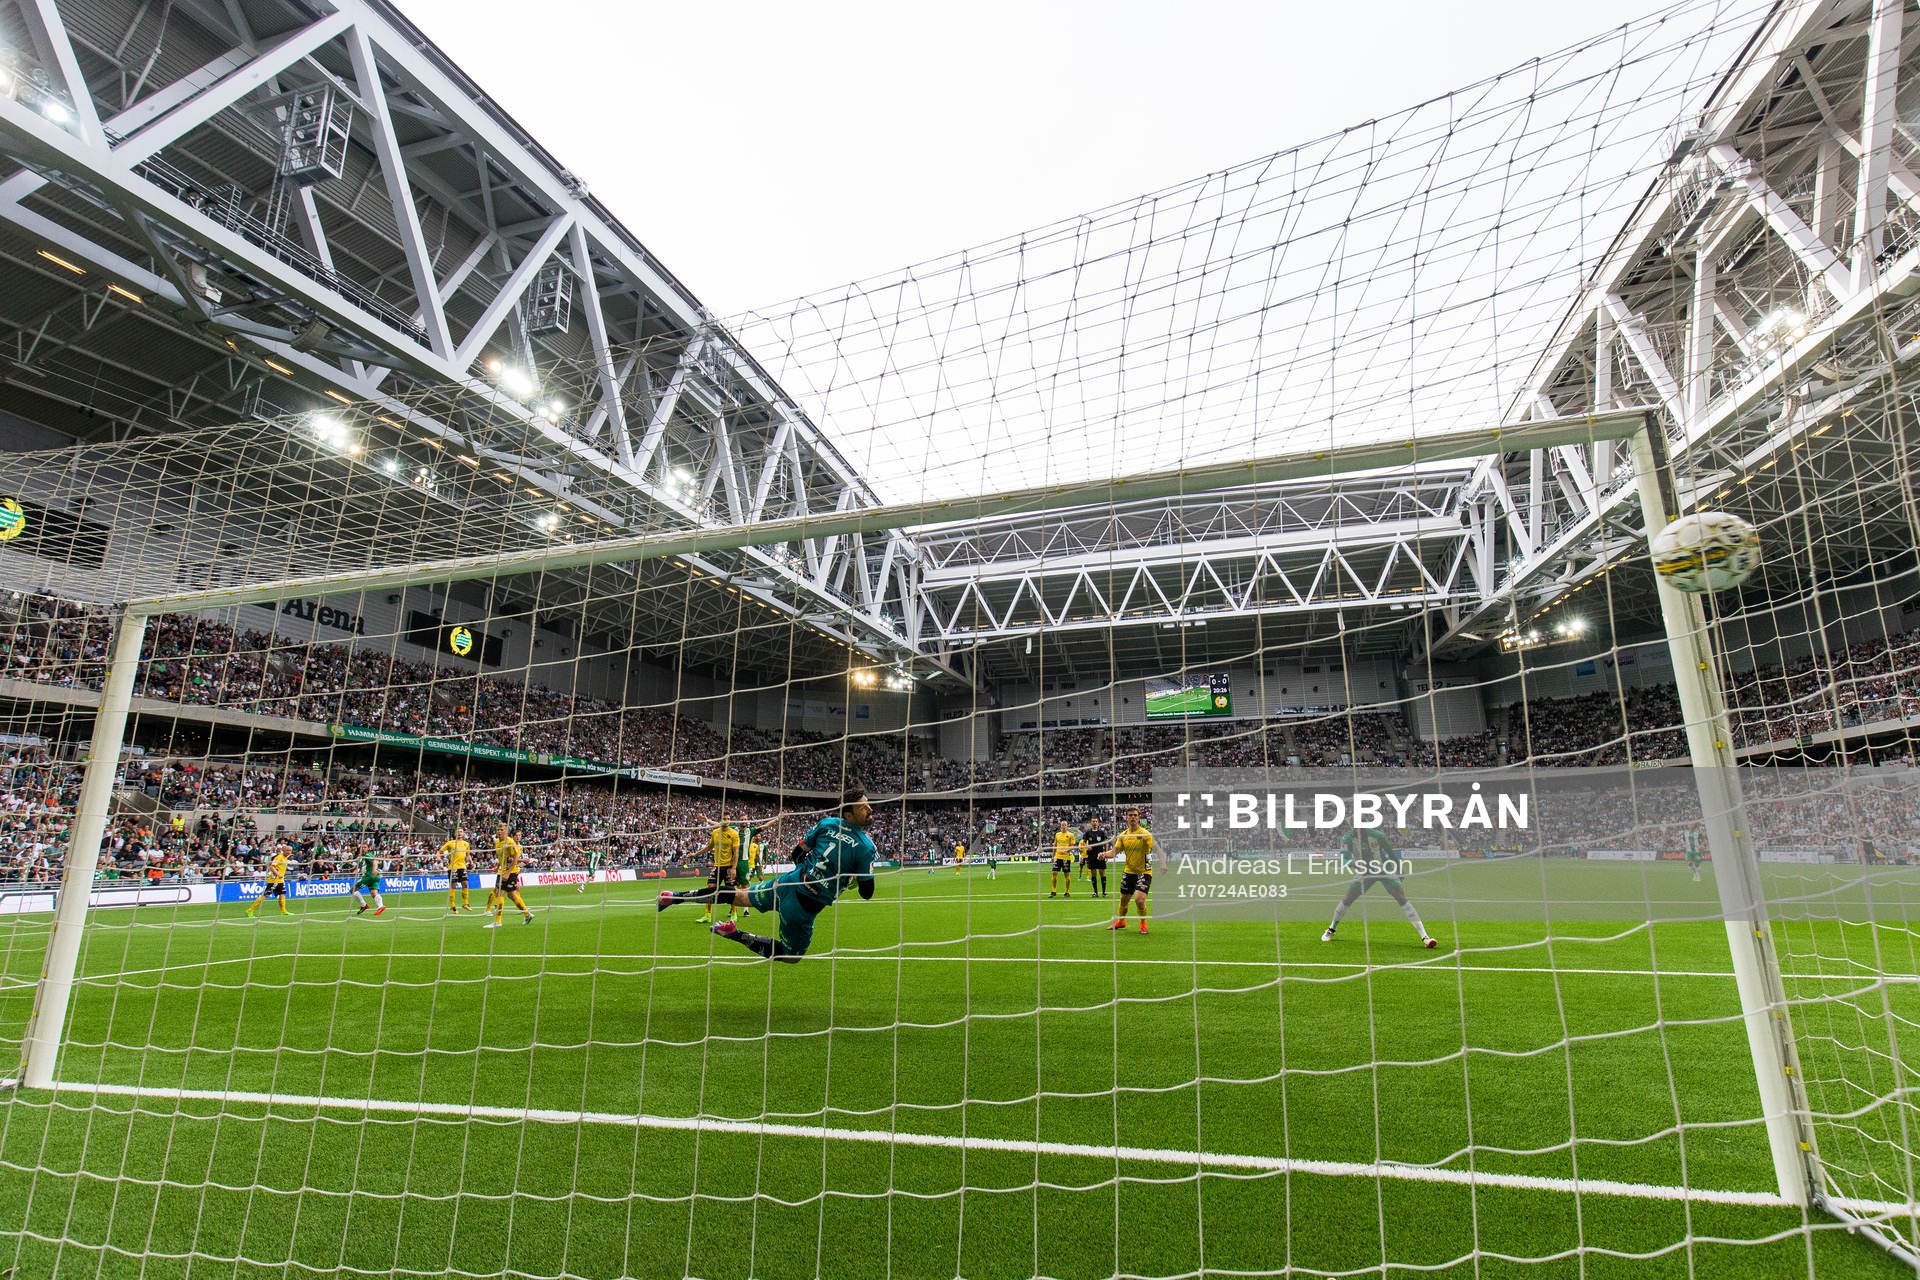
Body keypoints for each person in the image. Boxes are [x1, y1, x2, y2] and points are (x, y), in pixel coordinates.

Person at [657, 786, 878, 963]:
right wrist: (850, 880)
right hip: (803, 907)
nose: (870, 810)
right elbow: (867, 893)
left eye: (868, 805)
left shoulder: (827, 824)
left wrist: (808, 871)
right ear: (848, 814)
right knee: (791, 956)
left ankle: (674, 896)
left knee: (738, 896)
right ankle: (735, 934)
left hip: (786, 884)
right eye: (863, 807)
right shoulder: (866, 847)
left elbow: (797, 854)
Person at [1321, 826, 1438, 949]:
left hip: (1384, 869)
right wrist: (1357, 864)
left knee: (1401, 897)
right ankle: (1331, 929)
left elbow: (1391, 852)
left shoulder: (1377, 835)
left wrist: (1398, 868)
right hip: (1365, 872)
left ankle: (1425, 937)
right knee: (1348, 898)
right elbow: (1343, 860)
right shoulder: (1347, 838)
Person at [1109, 807, 1156, 933]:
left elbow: (1155, 848)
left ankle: (1143, 923)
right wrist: (1104, 854)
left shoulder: (1145, 834)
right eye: (1130, 815)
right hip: (1129, 872)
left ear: (1139, 817)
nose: (1133, 817)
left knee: (1139, 899)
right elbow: (1114, 852)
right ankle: (1121, 921)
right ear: (1126, 818)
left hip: (1144, 872)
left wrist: (1162, 862)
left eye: (1135, 815)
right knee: (1124, 900)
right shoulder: (1123, 835)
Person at [486, 822, 533, 928]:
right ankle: (527, 915)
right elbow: (502, 857)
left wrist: (507, 872)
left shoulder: (510, 842)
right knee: (511, 895)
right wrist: (498, 866)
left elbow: (515, 857)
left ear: (506, 831)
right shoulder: (497, 842)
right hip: (502, 871)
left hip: (509, 872)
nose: (499, 831)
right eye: (498, 829)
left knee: (499, 893)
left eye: (502, 829)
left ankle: (498, 921)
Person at [701, 816, 743, 924]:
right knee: (710, 889)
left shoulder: (734, 833)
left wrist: (734, 868)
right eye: (724, 818)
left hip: (729, 866)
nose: (727, 820)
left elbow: (736, 852)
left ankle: (734, 913)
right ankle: (707, 915)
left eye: (728, 818)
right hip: (717, 866)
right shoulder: (715, 832)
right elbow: (709, 847)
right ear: (721, 820)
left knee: (730, 891)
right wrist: (696, 854)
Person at [247, 842, 290, 918]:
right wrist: (278, 874)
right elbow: (272, 867)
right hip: (274, 880)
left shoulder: (285, 858)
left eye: (290, 851)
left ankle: (283, 911)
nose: (289, 852)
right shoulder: (279, 857)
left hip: (280, 880)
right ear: (283, 850)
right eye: (287, 850)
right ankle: (250, 910)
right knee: (265, 896)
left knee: (282, 894)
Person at [440, 827, 473, 912]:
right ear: (455, 834)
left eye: (461, 832)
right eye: (458, 832)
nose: (459, 833)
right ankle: (453, 906)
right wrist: (439, 857)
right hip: (453, 867)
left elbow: (468, 855)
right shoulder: (450, 843)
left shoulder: (466, 844)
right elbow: (440, 851)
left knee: (465, 884)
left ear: (463, 833)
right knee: (453, 886)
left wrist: (471, 862)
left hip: (462, 866)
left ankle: (465, 903)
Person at [350, 842, 385, 917]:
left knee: (352, 890)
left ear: (368, 848)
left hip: (369, 876)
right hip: (376, 877)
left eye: (365, 847)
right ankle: (380, 906)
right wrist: (353, 868)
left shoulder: (367, 855)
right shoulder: (362, 857)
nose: (363, 848)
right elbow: (362, 865)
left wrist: (374, 870)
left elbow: (375, 861)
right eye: (362, 847)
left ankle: (363, 905)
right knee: (374, 893)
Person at [1081, 816, 1111, 899]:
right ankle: (1095, 892)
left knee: (1102, 873)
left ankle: (1104, 892)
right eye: (1093, 821)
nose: (1094, 823)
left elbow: (1106, 843)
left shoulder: (1102, 832)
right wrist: (1087, 846)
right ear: (1091, 823)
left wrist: (1106, 853)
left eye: (1096, 821)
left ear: (1098, 823)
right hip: (1091, 856)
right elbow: (1083, 842)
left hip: (1101, 855)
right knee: (1093, 874)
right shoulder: (1088, 832)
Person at [1049, 820, 1079, 898]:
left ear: (1067, 826)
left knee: (1066, 875)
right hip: (1057, 857)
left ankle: (1067, 891)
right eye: (1062, 825)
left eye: (1065, 825)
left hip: (1066, 857)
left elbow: (1072, 846)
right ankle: (1053, 891)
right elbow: (1054, 846)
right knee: (1054, 872)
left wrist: (1065, 850)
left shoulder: (1070, 835)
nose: (1063, 826)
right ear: (1060, 826)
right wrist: (1053, 856)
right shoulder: (1057, 834)